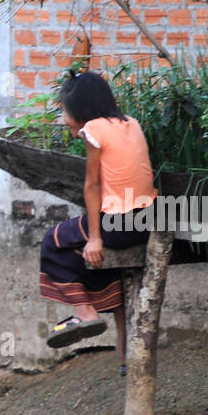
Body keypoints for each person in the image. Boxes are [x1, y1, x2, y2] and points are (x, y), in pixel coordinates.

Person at [39, 69, 158, 372]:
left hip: (120, 224)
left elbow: (92, 185)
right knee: (101, 267)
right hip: (149, 218)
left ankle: (84, 311)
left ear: (81, 110)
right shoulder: (131, 123)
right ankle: (123, 357)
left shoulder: (93, 129)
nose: (63, 118)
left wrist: (95, 237)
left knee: (53, 242)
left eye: (64, 111)